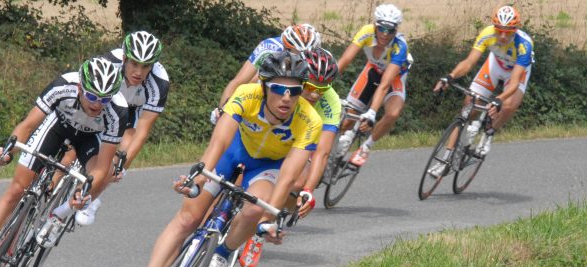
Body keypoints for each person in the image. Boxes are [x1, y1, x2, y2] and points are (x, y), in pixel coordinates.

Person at [116, 51, 322, 267]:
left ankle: (223, 254)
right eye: (279, 89)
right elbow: (218, 144)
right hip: (232, 153)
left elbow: (287, 176)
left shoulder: (310, 121)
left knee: (256, 208)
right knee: (187, 219)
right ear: (264, 86)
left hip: (267, 167)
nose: (287, 97)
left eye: (294, 91)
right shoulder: (247, 95)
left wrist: (267, 221)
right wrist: (198, 179)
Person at [0, 57, 128, 267]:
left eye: (104, 99)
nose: (98, 104)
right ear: (80, 87)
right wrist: (9, 151)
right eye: (92, 96)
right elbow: (28, 125)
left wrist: (83, 191)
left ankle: (60, 213)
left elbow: (102, 165)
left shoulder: (118, 110)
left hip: (91, 139)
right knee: (17, 189)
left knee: (96, 178)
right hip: (59, 126)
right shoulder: (62, 86)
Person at [238, 48, 341, 267]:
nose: (315, 95)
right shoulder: (283, 86)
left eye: (322, 90)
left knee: (296, 182)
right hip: (267, 136)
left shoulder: (330, 103)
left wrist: (308, 191)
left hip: (303, 140)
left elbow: (322, 151)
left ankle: (263, 227)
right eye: (311, 87)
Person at [74, 30, 170, 225]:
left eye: (146, 66)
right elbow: (84, 91)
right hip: (103, 103)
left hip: (130, 111)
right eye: (134, 63)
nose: (139, 72)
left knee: (120, 155)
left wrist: (121, 162)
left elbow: (142, 131)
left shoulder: (160, 83)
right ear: (125, 57)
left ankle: (93, 198)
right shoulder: (110, 62)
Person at [429, 5, 534, 176]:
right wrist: (450, 76)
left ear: (515, 30)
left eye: (507, 32)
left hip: (516, 71)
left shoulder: (524, 45)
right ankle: (446, 159)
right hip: (495, 65)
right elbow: (469, 62)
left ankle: (489, 133)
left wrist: (498, 100)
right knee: (466, 110)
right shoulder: (487, 34)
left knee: (509, 105)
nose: (502, 35)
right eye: (499, 30)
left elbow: (514, 82)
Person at [335, 3, 412, 167]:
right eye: (382, 28)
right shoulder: (367, 31)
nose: (385, 34)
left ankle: (366, 147)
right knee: (347, 121)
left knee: (393, 113)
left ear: (396, 30)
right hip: (372, 70)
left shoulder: (400, 46)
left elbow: (385, 84)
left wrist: (372, 113)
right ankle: (330, 151)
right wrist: (324, 82)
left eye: (390, 30)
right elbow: (346, 60)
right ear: (375, 25)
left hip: (395, 77)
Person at [210, 23, 321, 125]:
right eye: (294, 53)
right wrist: (222, 111)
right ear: (285, 46)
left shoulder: (317, 61)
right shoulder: (270, 47)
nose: (297, 58)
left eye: (305, 55)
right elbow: (239, 81)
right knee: (254, 80)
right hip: (261, 84)